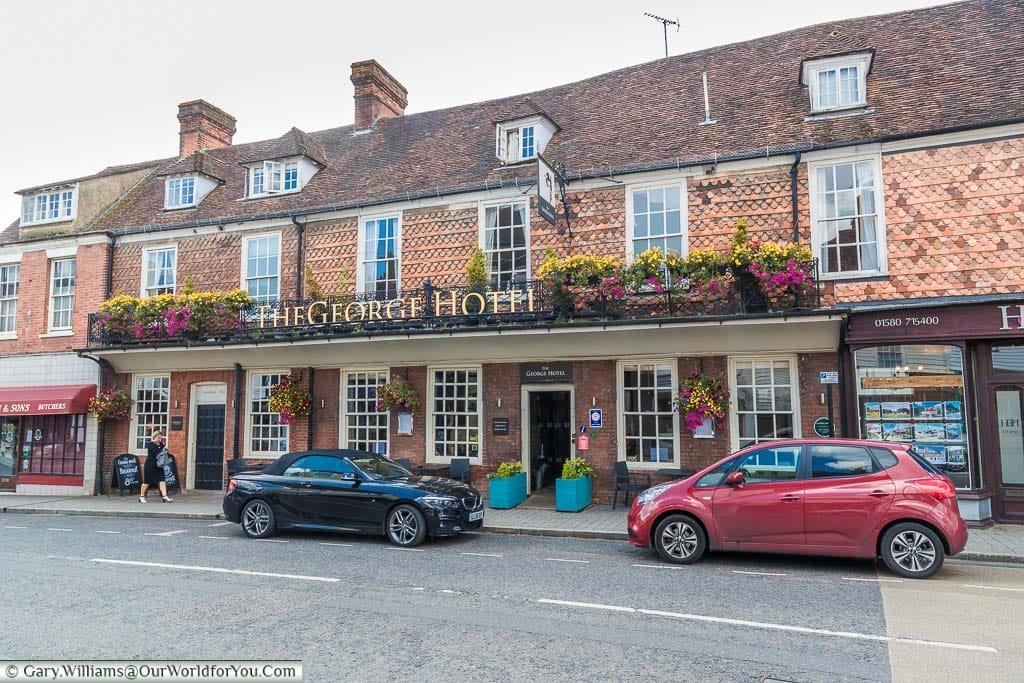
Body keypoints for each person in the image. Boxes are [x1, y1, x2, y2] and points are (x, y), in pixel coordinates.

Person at [140, 429, 173, 503]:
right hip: (150, 466)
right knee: (147, 481)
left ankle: (165, 496)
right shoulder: (150, 445)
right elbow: (157, 454)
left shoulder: (161, 444)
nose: (159, 439)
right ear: (154, 437)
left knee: (162, 480)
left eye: (160, 438)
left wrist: (164, 450)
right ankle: (141, 496)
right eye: (158, 438)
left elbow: (163, 451)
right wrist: (163, 450)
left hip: (159, 466)